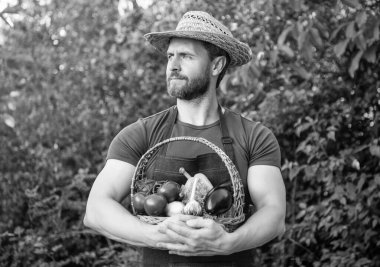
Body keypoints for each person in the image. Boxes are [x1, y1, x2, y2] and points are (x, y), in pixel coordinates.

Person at [84, 10, 286, 267]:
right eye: (170, 56)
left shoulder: (254, 136)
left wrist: (227, 244)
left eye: (186, 56)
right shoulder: (142, 134)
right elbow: (96, 210)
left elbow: (274, 214)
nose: (173, 65)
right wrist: (154, 235)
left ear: (216, 65)